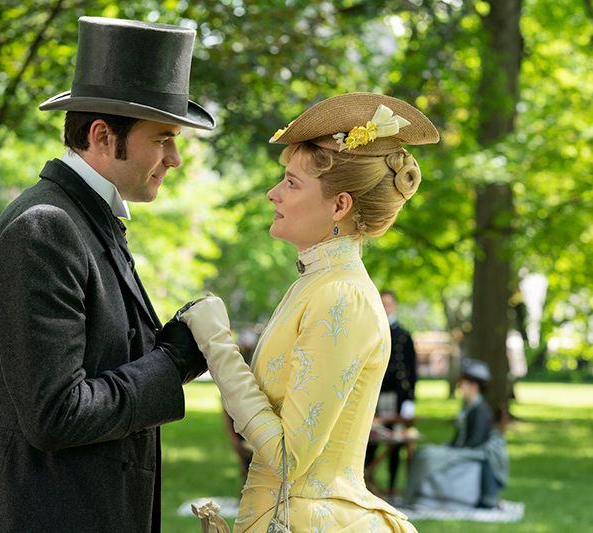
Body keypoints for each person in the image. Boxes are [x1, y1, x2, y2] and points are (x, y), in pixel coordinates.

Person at [0, 17, 214, 532]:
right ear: (103, 135)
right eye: (164, 138)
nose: (174, 158)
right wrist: (170, 363)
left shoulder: (87, 220)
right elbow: (56, 413)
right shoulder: (45, 227)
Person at [181, 93, 439, 532]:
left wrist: (217, 345)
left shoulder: (341, 295)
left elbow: (286, 457)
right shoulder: (317, 282)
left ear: (339, 206)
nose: (273, 193)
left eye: (292, 183)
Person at [403, 358, 509, 510]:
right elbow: (458, 438)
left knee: (427, 456)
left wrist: (451, 450)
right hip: (461, 449)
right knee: (424, 452)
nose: (461, 388)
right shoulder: (467, 408)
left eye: (464, 384)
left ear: (474, 386)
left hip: (473, 453)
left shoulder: (481, 411)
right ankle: (415, 495)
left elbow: (474, 443)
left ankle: (414, 497)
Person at [365, 290, 418, 496]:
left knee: (395, 443)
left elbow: (412, 370)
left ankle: (392, 489)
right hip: (375, 396)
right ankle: (367, 484)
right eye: (382, 303)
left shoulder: (404, 336)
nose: (385, 307)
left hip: (396, 398)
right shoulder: (372, 333)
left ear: (394, 306)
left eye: (388, 304)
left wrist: (410, 400)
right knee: (370, 441)